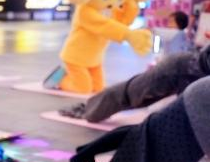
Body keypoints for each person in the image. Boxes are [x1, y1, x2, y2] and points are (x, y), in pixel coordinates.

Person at [69, 75, 210, 162]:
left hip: (198, 95)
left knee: (144, 132)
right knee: (145, 133)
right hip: (197, 100)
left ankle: (85, 152)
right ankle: (80, 158)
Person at [59, 44, 210, 122]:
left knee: (136, 96)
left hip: (192, 74)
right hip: (179, 68)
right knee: (131, 94)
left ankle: (91, 108)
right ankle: (89, 109)